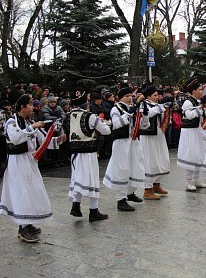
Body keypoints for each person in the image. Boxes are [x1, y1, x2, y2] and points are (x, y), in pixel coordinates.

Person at [0, 93, 66, 243]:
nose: (32, 107)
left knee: (31, 191)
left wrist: (56, 140)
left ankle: (27, 223)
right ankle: (23, 228)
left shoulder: (29, 121)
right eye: (29, 105)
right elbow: (16, 139)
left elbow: (42, 139)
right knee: (22, 193)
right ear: (22, 107)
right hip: (17, 162)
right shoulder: (11, 122)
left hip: (29, 161)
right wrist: (32, 127)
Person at [103, 84, 149, 211]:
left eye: (131, 96)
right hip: (121, 143)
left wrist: (144, 114)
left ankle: (130, 193)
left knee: (136, 166)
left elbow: (143, 126)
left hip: (133, 142)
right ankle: (120, 199)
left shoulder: (132, 108)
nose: (130, 98)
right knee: (122, 169)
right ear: (120, 98)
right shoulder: (115, 109)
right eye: (127, 96)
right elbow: (116, 125)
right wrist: (129, 114)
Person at [68, 90, 111, 222]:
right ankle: (93, 210)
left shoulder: (69, 114)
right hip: (88, 152)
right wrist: (104, 123)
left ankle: (76, 205)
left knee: (77, 177)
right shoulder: (90, 116)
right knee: (92, 178)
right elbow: (106, 131)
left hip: (74, 152)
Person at [177, 78, 206, 191]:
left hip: (198, 130)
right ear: (194, 91)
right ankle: (188, 181)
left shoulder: (198, 102)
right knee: (191, 155)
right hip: (190, 132)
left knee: (199, 155)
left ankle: (197, 179)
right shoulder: (188, 102)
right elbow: (188, 115)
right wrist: (199, 110)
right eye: (200, 89)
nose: (202, 91)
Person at [139, 85, 171, 200]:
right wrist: (159, 109)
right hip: (148, 137)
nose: (158, 97)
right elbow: (144, 116)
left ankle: (156, 184)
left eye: (158, 95)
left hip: (158, 135)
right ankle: (147, 189)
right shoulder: (143, 104)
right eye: (155, 95)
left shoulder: (158, 105)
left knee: (160, 159)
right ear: (148, 96)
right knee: (149, 161)